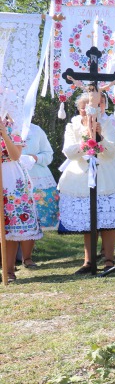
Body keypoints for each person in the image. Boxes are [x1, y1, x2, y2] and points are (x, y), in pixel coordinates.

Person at [57, 93, 115, 273]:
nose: (88, 111)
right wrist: (86, 140)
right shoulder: (72, 126)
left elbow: (112, 151)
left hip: (107, 174)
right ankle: (88, 261)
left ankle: (109, 259)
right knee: (88, 219)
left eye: (93, 107)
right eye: (84, 108)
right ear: (80, 109)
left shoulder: (106, 124)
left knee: (109, 218)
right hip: (80, 175)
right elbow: (69, 151)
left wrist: (99, 137)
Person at [1, 115, 42, 282]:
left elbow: (16, 155)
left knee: (11, 227)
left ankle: (9, 270)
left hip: (10, 176)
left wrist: (4, 133)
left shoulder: (14, 125)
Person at [18, 122, 59, 268]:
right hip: (11, 177)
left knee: (32, 217)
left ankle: (26, 258)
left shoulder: (36, 130)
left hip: (36, 179)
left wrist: (34, 158)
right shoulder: (5, 127)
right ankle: (7, 261)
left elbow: (48, 155)